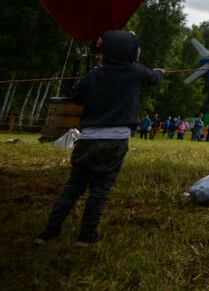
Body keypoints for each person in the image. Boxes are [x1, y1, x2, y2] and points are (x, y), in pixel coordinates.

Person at [34, 30, 163, 246]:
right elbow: (155, 78)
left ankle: (48, 231)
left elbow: (77, 98)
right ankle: (85, 236)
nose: (139, 51)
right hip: (115, 142)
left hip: (87, 140)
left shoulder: (93, 75)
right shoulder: (136, 72)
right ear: (129, 51)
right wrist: (160, 71)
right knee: (101, 189)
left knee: (74, 186)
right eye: (136, 47)